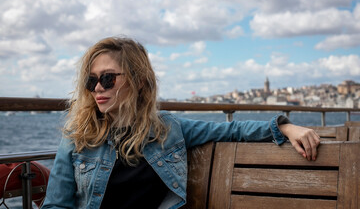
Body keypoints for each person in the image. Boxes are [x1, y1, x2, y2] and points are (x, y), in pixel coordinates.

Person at [42, 37, 320, 209]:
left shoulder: (167, 129)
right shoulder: (79, 137)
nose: (98, 88)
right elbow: (56, 204)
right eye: (92, 80)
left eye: (108, 78)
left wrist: (284, 126)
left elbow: (231, 129)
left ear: (139, 81)